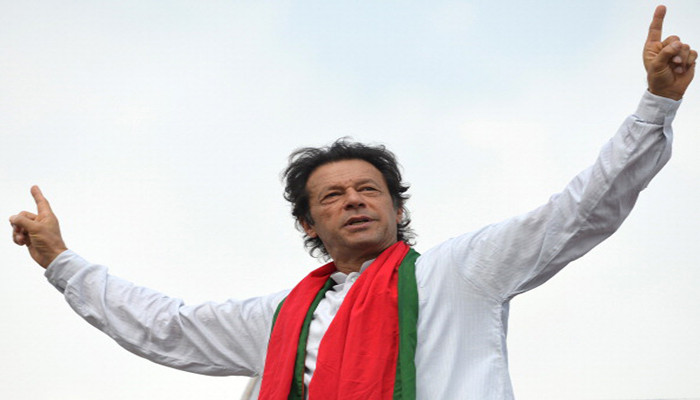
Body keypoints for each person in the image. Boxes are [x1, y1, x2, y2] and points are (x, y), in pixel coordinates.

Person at [9, 5, 697, 400]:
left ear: (397, 209)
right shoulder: (277, 319)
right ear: (308, 223)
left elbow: (581, 210)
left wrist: (656, 106)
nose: (355, 202)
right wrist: (60, 260)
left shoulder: (460, 273)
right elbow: (167, 327)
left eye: (370, 190)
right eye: (333, 196)